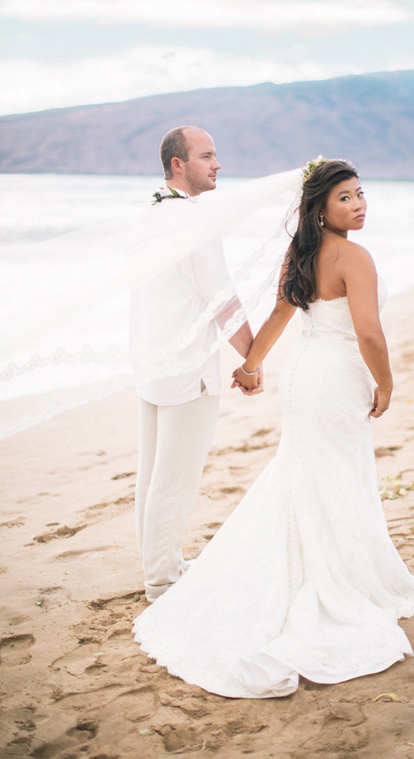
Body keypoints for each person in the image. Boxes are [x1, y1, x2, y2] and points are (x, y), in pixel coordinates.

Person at [133, 158, 414, 697]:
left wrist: (252, 364)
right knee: (336, 475)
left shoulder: (299, 253)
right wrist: (385, 384)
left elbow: (280, 315)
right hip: (337, 377)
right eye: (345, 197)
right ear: (319, 206)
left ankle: (323, 568)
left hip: (304, 375)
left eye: (361, 193)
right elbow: (368, 331)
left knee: (308, 472)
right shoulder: (355, 257)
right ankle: (337, 581)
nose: (359, 203)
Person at [131, 125, 262, 603]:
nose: (218, 164)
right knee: (175, 482)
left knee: (151, 476)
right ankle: (162, 581)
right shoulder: (192, 222)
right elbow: (223, 302)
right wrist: (252, 359)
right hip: (188, 370)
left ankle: (159, 564)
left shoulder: (150, 216)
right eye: (207, 155)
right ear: (178, 165)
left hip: (153, 364)